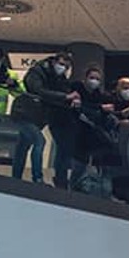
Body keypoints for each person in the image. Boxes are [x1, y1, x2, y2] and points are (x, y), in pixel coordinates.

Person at [23, 54, 80, 189]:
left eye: (66, 66)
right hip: (27, 112)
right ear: (54, 61)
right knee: (35, 142)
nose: (63, 68)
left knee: (25, 145)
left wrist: (69, 99)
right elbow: (38, 90)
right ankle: (36, 178)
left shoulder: (59, 78)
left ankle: (24, 177)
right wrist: (65, 97)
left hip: (44, 114)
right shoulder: (37, 72)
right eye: (61, 64)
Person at [7, 76, 48, 183]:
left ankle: (16, 178)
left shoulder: (48, 86)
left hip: (29, 118)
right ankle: (37, 177)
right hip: (24, 116)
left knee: (22, 146)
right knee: (39, 141)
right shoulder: (34, 82)